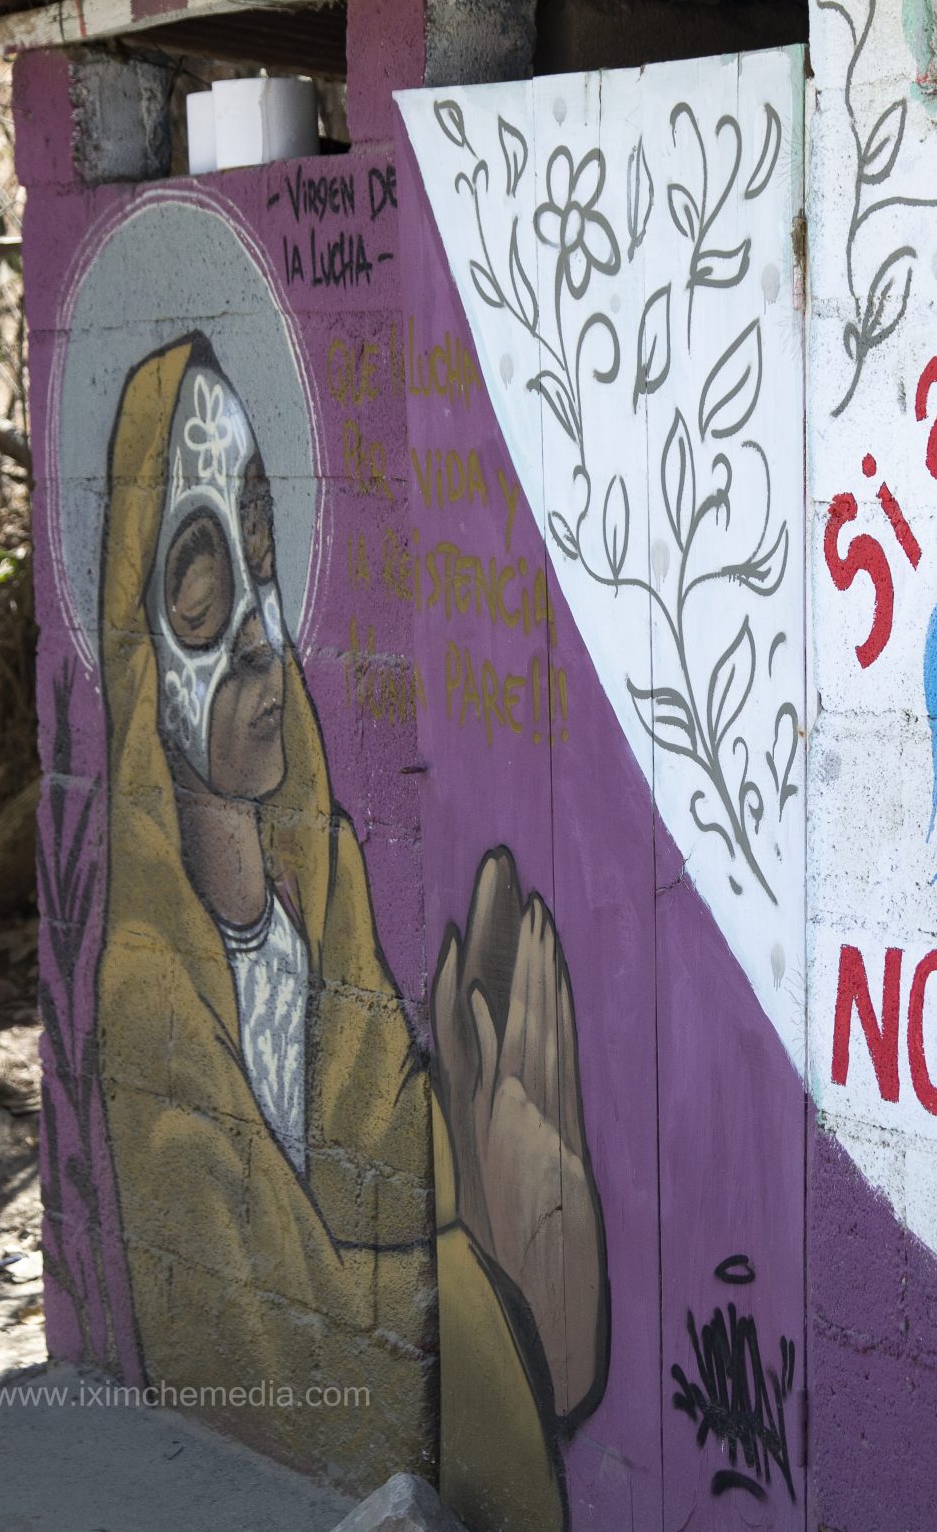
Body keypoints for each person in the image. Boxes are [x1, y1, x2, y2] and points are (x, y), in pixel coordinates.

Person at [94, 333, 604, 1526]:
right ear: (136, 646)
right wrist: (505, 1289)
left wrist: (485, 1156)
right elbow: (274, 1340)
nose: (261, 635)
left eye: (262, 565)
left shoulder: (310, 917)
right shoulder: (149, 1005)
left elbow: (389, 1168)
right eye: (203, 593)